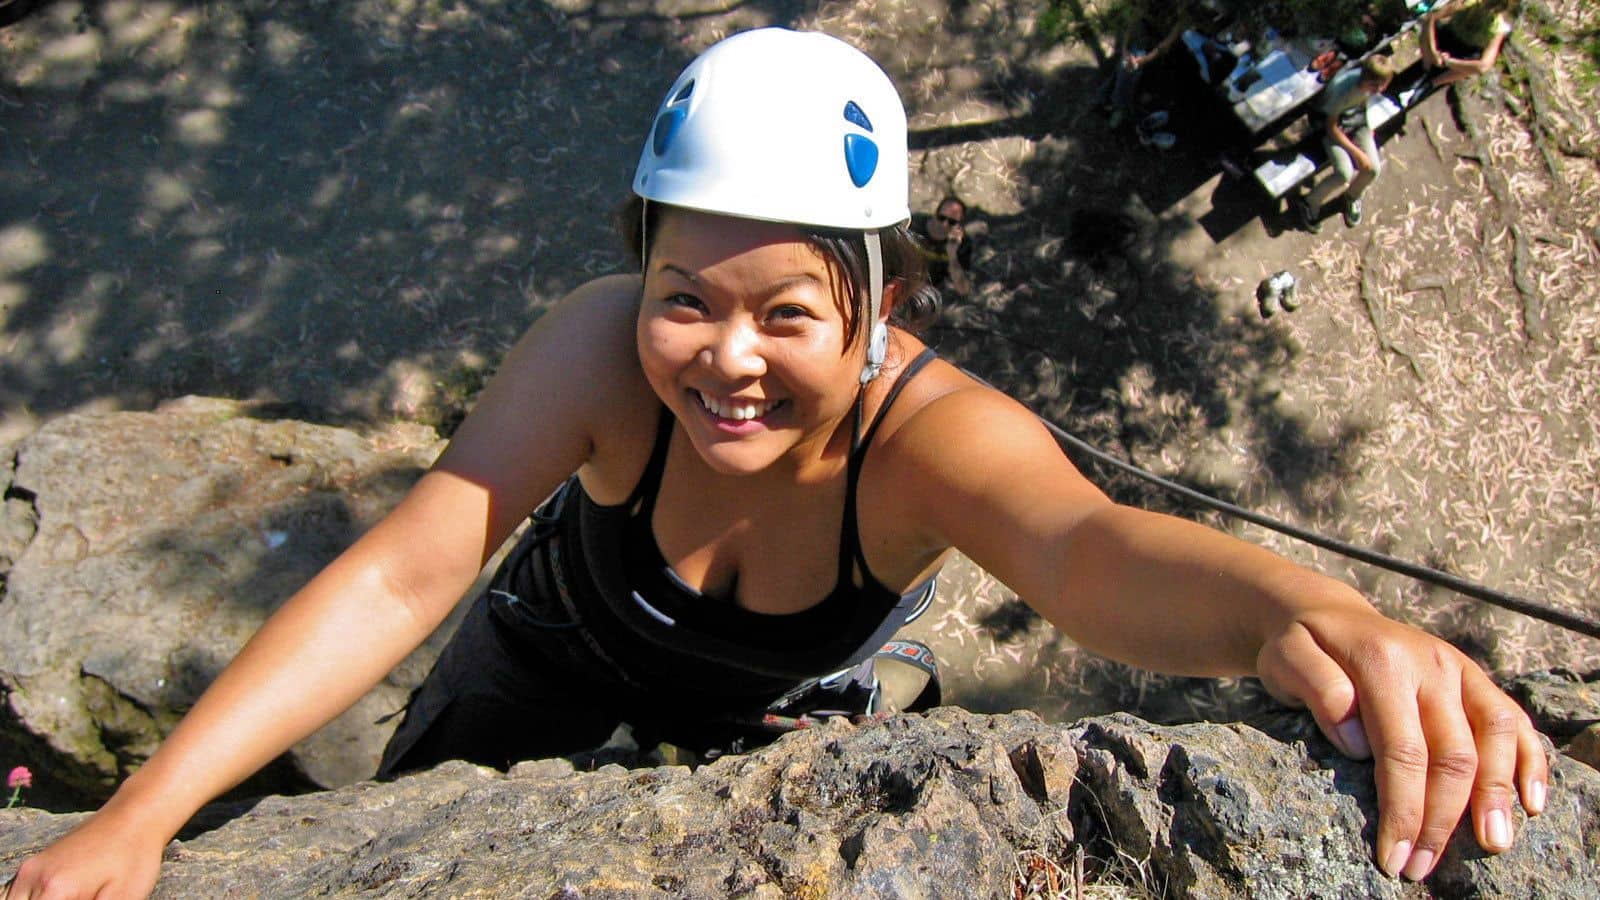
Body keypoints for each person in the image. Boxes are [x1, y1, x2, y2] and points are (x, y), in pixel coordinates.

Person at [4, 28, 1547, 899]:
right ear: (640, 278)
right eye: (688, 298)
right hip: (548, 650)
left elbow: (1088, 551)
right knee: (427, 790)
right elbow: (413, 561)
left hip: (768, 720)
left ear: (884, 307)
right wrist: (145, 818)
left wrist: (1296, 614)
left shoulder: (926, 440)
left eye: (788, 312)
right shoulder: (597, 352)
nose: (724, 361)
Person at [1296, 55, 1396, 233]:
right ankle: (1308, 202)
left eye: (1383, 85)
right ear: (1364, 78)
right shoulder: (1344, 90)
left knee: (1373, 169)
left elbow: (1362, 102)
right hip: (1331, 128)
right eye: (1374, 86)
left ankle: (1352, 196)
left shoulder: (1368, 87)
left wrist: (1367, 129)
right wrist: (1357, 153)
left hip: (1355, 122)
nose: (1379, 90)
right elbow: (1331, 127)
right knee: (1344, 173)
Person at [1103, 0, 1197, 130]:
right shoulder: (1149, 3)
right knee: (1128, 62)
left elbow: (1165, 45)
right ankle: (1117, 102)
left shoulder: (1183, 14)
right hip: (1143, 44)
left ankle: (1120, 106)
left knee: (1133, 68)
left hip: (1162, 55)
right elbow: (1131, 24)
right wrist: (1125, 48)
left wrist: (1144, 60)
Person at [1420, 0, 1515, 89]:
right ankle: (1426, 66)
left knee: (1476, 61)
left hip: (1462, 55)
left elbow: (1484, 66)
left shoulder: (1498, 29)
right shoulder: (1466, 3)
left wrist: (1448, 62)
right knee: (1428, 22)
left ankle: (1434, 83)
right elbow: (1431, 16)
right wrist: (1433, 51)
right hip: (1448, 37)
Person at [913, 196, 973, 298]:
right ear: (935, 214)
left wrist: (952, 254)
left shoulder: (962, 244)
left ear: (959, 225)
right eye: (941, 218)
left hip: (930, 291)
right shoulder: (914, 225)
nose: (945, 224)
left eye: (952, 222)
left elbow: (963, 290)